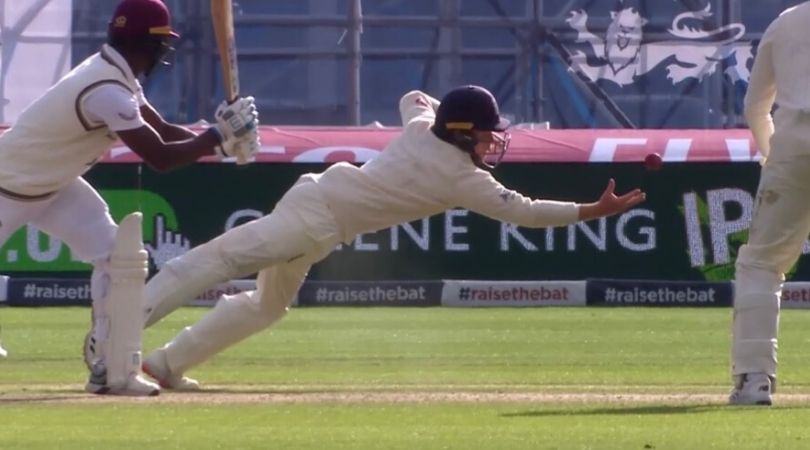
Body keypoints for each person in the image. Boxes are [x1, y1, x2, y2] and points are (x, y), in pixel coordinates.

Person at [138, 85, 646, 391]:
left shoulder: (426, 125)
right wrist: (592, 210)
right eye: (487, 134)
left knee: (269, 306)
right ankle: (122, 336)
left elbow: (412, 100)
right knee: (223, 257)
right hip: (315, 217)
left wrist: (435, 105)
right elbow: (529, 214)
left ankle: (164, 363)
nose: (494, 142)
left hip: (321, 213)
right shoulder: (461, 178)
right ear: (462, 132)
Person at [0, 0, 259, 395]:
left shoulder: (117, 76)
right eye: (161, 45)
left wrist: (219, 139)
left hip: (55, 186)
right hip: (6, 187)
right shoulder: (105, 90)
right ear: (147, 44)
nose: (163, 54)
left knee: (116, 257)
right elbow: (160, 157)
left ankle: (109, 365)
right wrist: (218, 137)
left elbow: (167, 132)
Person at [729, 2, 810, 406]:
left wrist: (770, 159)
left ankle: (754, 381)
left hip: (795, 147)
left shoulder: (787, 22)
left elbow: (756, 106)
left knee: (761, 264)